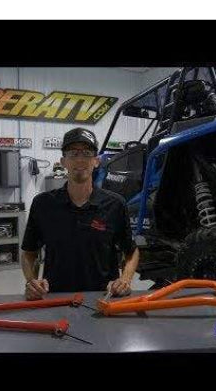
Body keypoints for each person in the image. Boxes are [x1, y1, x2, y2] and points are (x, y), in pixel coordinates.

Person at [21, 127, 140, 300]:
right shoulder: (43, 204)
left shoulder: (115, 205)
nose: (80, 159)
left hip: (104, 300)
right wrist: (31, 282)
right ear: (63, 161)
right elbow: (29, 253)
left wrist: (125, 280)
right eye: (73, 153)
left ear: (96, 161)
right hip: (55, 300)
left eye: (86, 153)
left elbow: (131, 252)